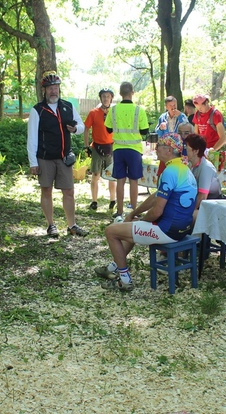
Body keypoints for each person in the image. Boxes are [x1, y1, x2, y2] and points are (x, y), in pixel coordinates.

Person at [94, 134, 196, 291]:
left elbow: (156, 212)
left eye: (159, 145)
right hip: (183, 228)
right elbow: (156, 197)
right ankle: (113, 267)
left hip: (167, 231)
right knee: (131, 228)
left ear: (169, 150)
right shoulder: (184, 169)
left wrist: (143, 220)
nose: (155, 149)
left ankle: (124, 279)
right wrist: (136, 212)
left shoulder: (169, 172)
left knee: (111, 231)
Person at [27, 71, 88, 238]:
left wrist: (75, 129)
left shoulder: (68, 106)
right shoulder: (37, 110)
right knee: (46, 190)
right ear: (44, 90)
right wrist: (33, 161)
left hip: (64, 157)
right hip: (45, 158)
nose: (53, 91)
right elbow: (32, 137)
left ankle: (72, 225)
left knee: (68, 191)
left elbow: (81, 126)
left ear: (59, 89)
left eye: (56, 87)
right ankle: (51, 225)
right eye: (50, 88)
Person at [105, 81, 149, 221]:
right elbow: (145, 130)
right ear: (132, 92)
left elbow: (108, 129)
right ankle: (134, 211)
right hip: (134, 149)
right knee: (134, 180)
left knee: (120, 180)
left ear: (119, 93)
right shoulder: (139, 110)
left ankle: (119, 211)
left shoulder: (113, 109)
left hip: (118, 148)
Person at [83, 88, 116, 211]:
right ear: (100, 98)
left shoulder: (114, 112)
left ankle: (113, 200)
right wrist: (86, 146)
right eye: (103, 96)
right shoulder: (93, 112)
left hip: (111, 146)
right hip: (96, 146)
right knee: (95, 175)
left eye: (108, 96)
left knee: (111, 175)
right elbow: (86, 128)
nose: (106, 98)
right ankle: (94, 201)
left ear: (111, 98)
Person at [185, 133, 222, 219]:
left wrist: (187, 212)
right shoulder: (190, 164)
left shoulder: (206, 167)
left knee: (187, 217)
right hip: (200, 202)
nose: (184, 149)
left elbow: (202, 196)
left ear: (195, 151)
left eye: (186, 147)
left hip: (211, 205)